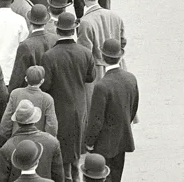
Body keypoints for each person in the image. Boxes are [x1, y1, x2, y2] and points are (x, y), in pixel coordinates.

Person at [42, 11, 97, 182]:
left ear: (57, 31)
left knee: (61, 145)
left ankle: (67, 176)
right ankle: (75, 175)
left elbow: (46, 85)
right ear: (74, 31)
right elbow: (91, 77)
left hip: (58, 106)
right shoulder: (85, 52)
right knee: (75, 144)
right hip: (79, 105)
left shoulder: (49, 56)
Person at [84, 38, 138, 182]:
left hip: (103, 144)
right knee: (117, 176)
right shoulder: (131, 78)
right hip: (123, 137)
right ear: (120, 56)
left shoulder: (102, 85)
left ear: (102, 56)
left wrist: (89, 142)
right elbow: (133, 108)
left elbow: (96, 120)